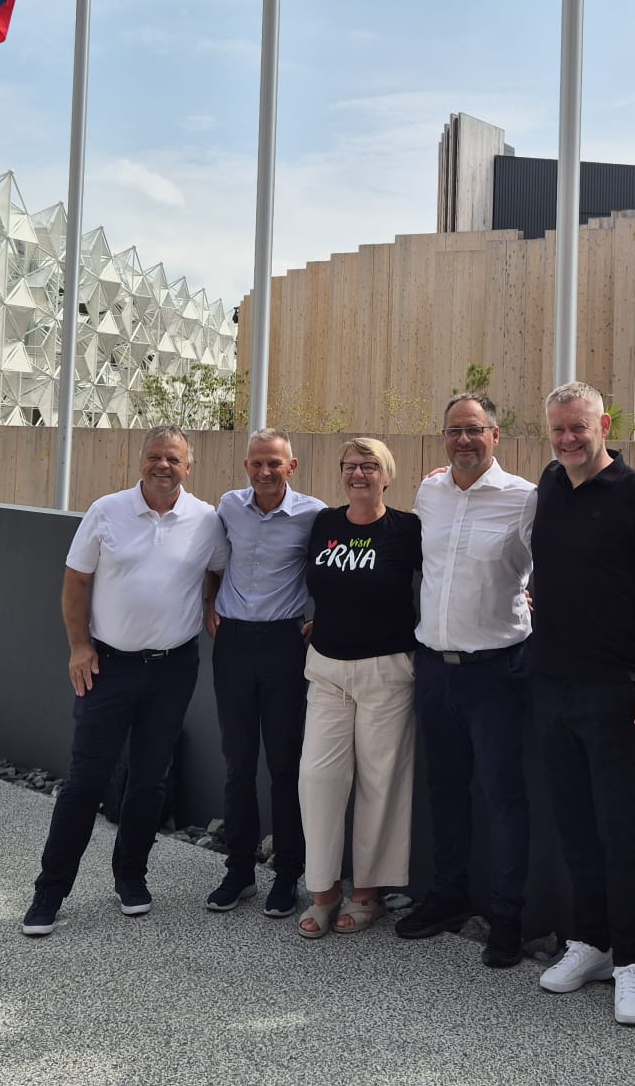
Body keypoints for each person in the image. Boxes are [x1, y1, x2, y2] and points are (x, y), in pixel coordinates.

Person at [21, 426, 223, 937]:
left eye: (173, 458)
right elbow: (76, 580)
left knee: (150, 779)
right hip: (108, 666)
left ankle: (131, 877)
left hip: (174, 668)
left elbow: (219, 568)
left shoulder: (205, 519)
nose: (163, 465)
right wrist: (79, 646)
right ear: (140, 462)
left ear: (188, 467)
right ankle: (50, 892)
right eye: (154, 456)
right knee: (86, 780)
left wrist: (209, 602)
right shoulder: (106, 510)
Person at [529, 382, 635, 1027]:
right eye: (559, 429)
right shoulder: (548, 482)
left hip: (615, 687)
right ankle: (590, 945)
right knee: (574, 825)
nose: (569, 439)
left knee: (621, 832)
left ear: (605, 425)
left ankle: (631, 964)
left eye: (580, 427)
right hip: (549, 684)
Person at [395, 393, 538, 968]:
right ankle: (448, 898)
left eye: (474, 429)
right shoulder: (429, 491)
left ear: (495, 436)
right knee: (444, 790)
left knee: (504, 798)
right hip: (434, 669)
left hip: (497, 674)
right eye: (454, 430)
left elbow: (562, 564)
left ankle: (507, 919)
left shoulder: (524, 498)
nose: (464, 440)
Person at [293, 437, 421, 938]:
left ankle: (368, 893)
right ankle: (323, 891)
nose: (358, 474)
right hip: (327, 669)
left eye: (370, 466)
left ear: (387, 476)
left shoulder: (407, 529)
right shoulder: (324, 523)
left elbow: (451, 574)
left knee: (380, 782)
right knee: (317, 777)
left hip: (386, 671)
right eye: (350, 466)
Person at [202, 428, 323, 920]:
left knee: (284, 765)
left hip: (283, 645)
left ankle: (288, 874)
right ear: (246, 466)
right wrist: (209, 603)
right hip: (232, 644)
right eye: (257, 463)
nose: (265, 471)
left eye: (274, 463)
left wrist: (322, 618)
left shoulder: (313, 514)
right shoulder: (229, 506)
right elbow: (213, 563)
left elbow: (334, 570)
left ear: (291, 467)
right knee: (237, 763)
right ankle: (239, 871)